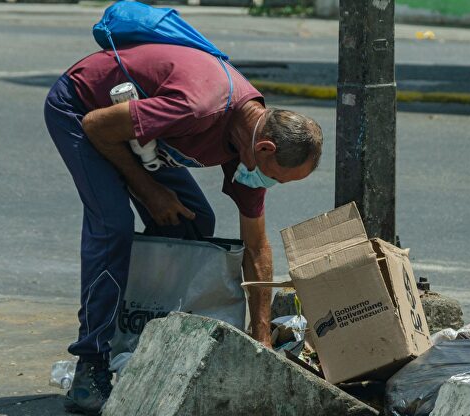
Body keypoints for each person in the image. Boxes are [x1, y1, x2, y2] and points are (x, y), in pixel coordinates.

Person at [44, 43, 323, 415]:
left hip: (140, 134)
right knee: (113, 225)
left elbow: (256, 248)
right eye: (277, 178)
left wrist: (261, 343)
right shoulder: (196, 107)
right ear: (267, 148)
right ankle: (90, 366)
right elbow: (97, 126)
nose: (270, 185)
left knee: (191, 220)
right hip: (83, 108)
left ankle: (147, 344)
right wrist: (148, 190)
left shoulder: (251, 145)